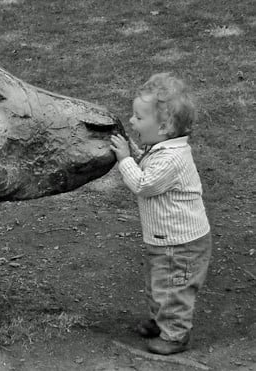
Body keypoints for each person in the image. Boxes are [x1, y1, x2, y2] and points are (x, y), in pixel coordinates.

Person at [110, 72, 212, 355]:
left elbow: (144, 184)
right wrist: (133, 150)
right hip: (166, 240)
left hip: (181, 244)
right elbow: (148, 165)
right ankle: (161, 322)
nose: (131, 121)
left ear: (165, 126)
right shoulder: (162, 149)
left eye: (139, 118)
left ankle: (175, 335)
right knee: (160, 284)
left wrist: (124, 160)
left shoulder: (172, 158)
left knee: (174, 289)